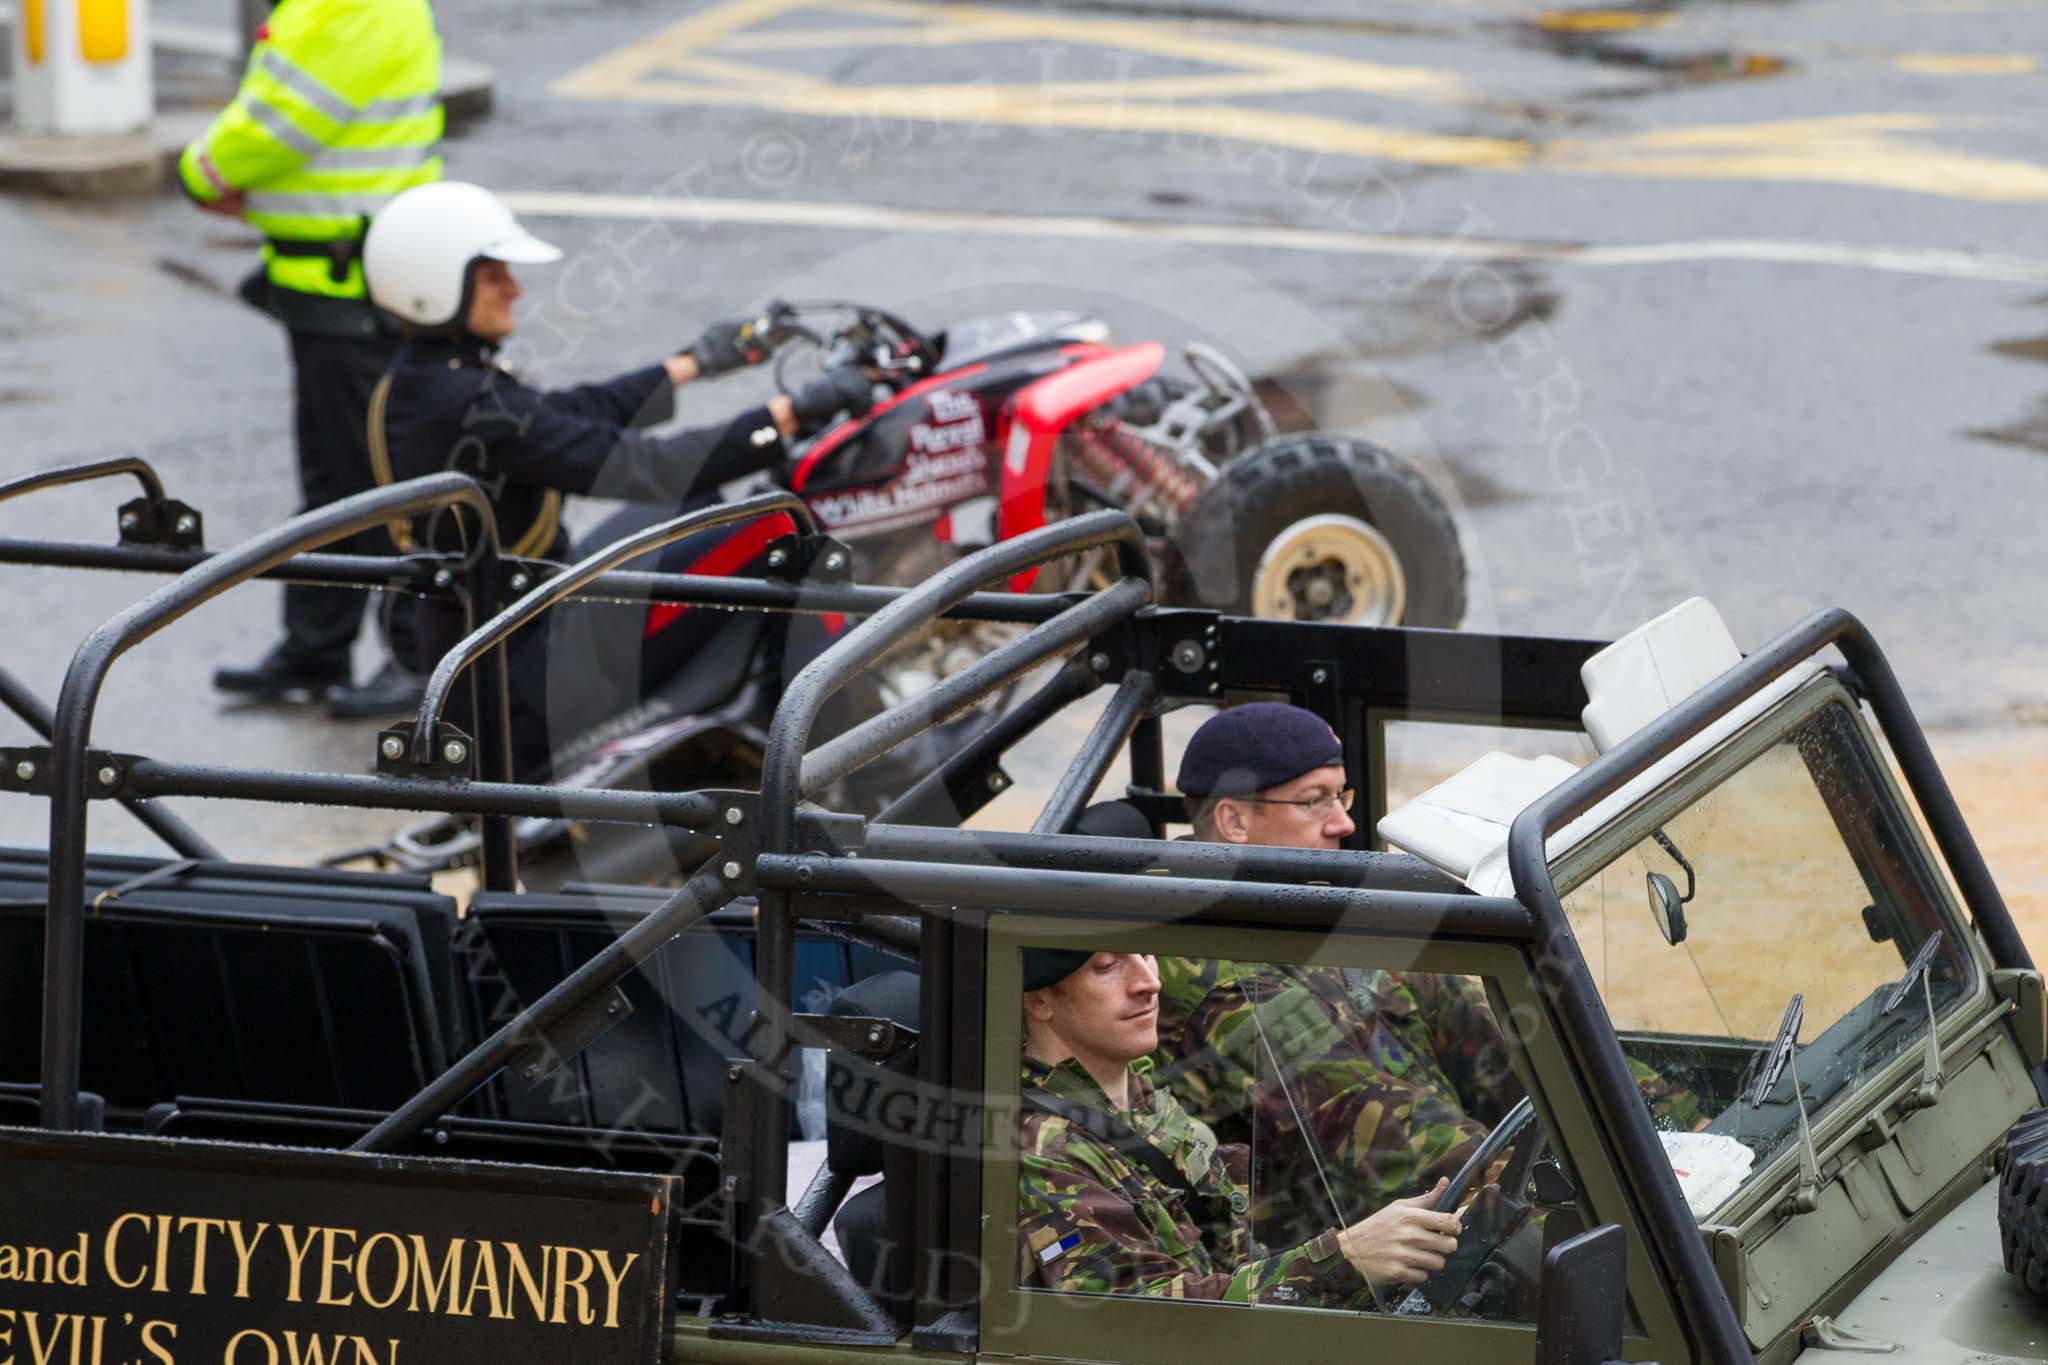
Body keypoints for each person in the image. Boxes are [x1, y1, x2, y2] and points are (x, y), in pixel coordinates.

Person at [357, 181, 874, 778]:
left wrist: (694, 364)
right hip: (525, 675)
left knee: (699, 503)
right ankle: (815, 766)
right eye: (494, 275)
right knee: (780, 532)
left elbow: (570, 413)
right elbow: (646, 467)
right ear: (434, 283)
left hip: (492, 637)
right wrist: (792, 413)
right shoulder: (467, 399)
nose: (514, 288)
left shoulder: (422, 381)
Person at [1156, 703, 1701, 1248]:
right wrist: (1617, 1224)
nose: (1344, 821)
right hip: (1351, 1278)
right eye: (1313, 800)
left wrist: (1680, 1132)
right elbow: (1393, 1138)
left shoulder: (1305, 910)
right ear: (1234, 822)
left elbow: (1501, 1035)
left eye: (1339, 795)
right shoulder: (1219, 976)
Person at [178, 0, 447, 716]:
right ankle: (315, 650)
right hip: (329, 282)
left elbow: (278, 123)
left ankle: (419, 658)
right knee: (337, 481)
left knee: (382, 481)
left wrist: (201, 171)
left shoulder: (346, 7)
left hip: (353, 285)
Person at [1015, 948, 1463, 1307]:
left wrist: (1389, 1258)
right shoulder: (1043, 1148)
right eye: (1108, 967)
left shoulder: (1141, 1099)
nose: (1148, 983)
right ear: (1038, 1000)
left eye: (1147, 955)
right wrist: (1345, 1257)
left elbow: (1230, 1263)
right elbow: (1136, 1317)